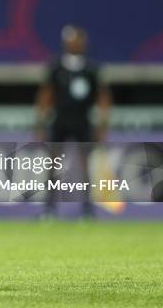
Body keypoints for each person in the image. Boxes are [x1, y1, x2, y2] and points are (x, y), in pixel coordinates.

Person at [35, 25, 111, 218]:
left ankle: (87, 208)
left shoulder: (91, 69)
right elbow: (46, 95)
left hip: (83, 121)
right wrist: (40, 122)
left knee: (85, 165)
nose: (75, 43)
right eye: (71, 40)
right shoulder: (57, 67)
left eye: (78, 40)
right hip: (60, 120)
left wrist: (102, 123)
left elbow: (103, 97)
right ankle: (49, 209)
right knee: (53, 165)